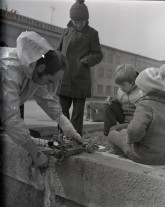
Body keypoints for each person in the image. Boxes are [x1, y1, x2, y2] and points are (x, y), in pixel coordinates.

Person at [0, 31, 82, 168]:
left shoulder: (34, 67)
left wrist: (68, 128)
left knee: (27, 134)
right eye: (50, 80)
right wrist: (36, 153)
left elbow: (46, 100)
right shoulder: (8, 70)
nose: (49, 85)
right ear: (42, 68)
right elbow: (10, 118)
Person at [108, 64, 165, 165]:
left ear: (146, 88)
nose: (140, 91)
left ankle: (127, 154)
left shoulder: (145, 104)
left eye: (141, 88)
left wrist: (127, 138)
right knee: (124, 132)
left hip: (147, 155)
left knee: (112, 134)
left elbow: (134, 132)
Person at [56, 0, 103, 136]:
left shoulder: (92, 33)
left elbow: (98, 54)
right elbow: (58, 51)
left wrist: (84, 62)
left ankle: (75, 139)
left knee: (77, 114)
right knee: (62, 112)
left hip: (80, 78)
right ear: (71, 20)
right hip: (64, 78)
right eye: (75, 22)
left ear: (86, 20)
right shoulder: (65, 32)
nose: (78, 24)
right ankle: (61, 138)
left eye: (81, 22)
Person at [103, 64, 141, 136]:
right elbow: (121, 103)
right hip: (125, 119)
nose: (120, 88)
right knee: (108, 104)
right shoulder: (121, 89)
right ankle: (109, 135)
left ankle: (112, 134)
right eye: (118, 85)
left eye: (123, 85)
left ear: (133, 82)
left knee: (113, 130)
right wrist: (113, 101)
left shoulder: (142, 91)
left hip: (136, 123)